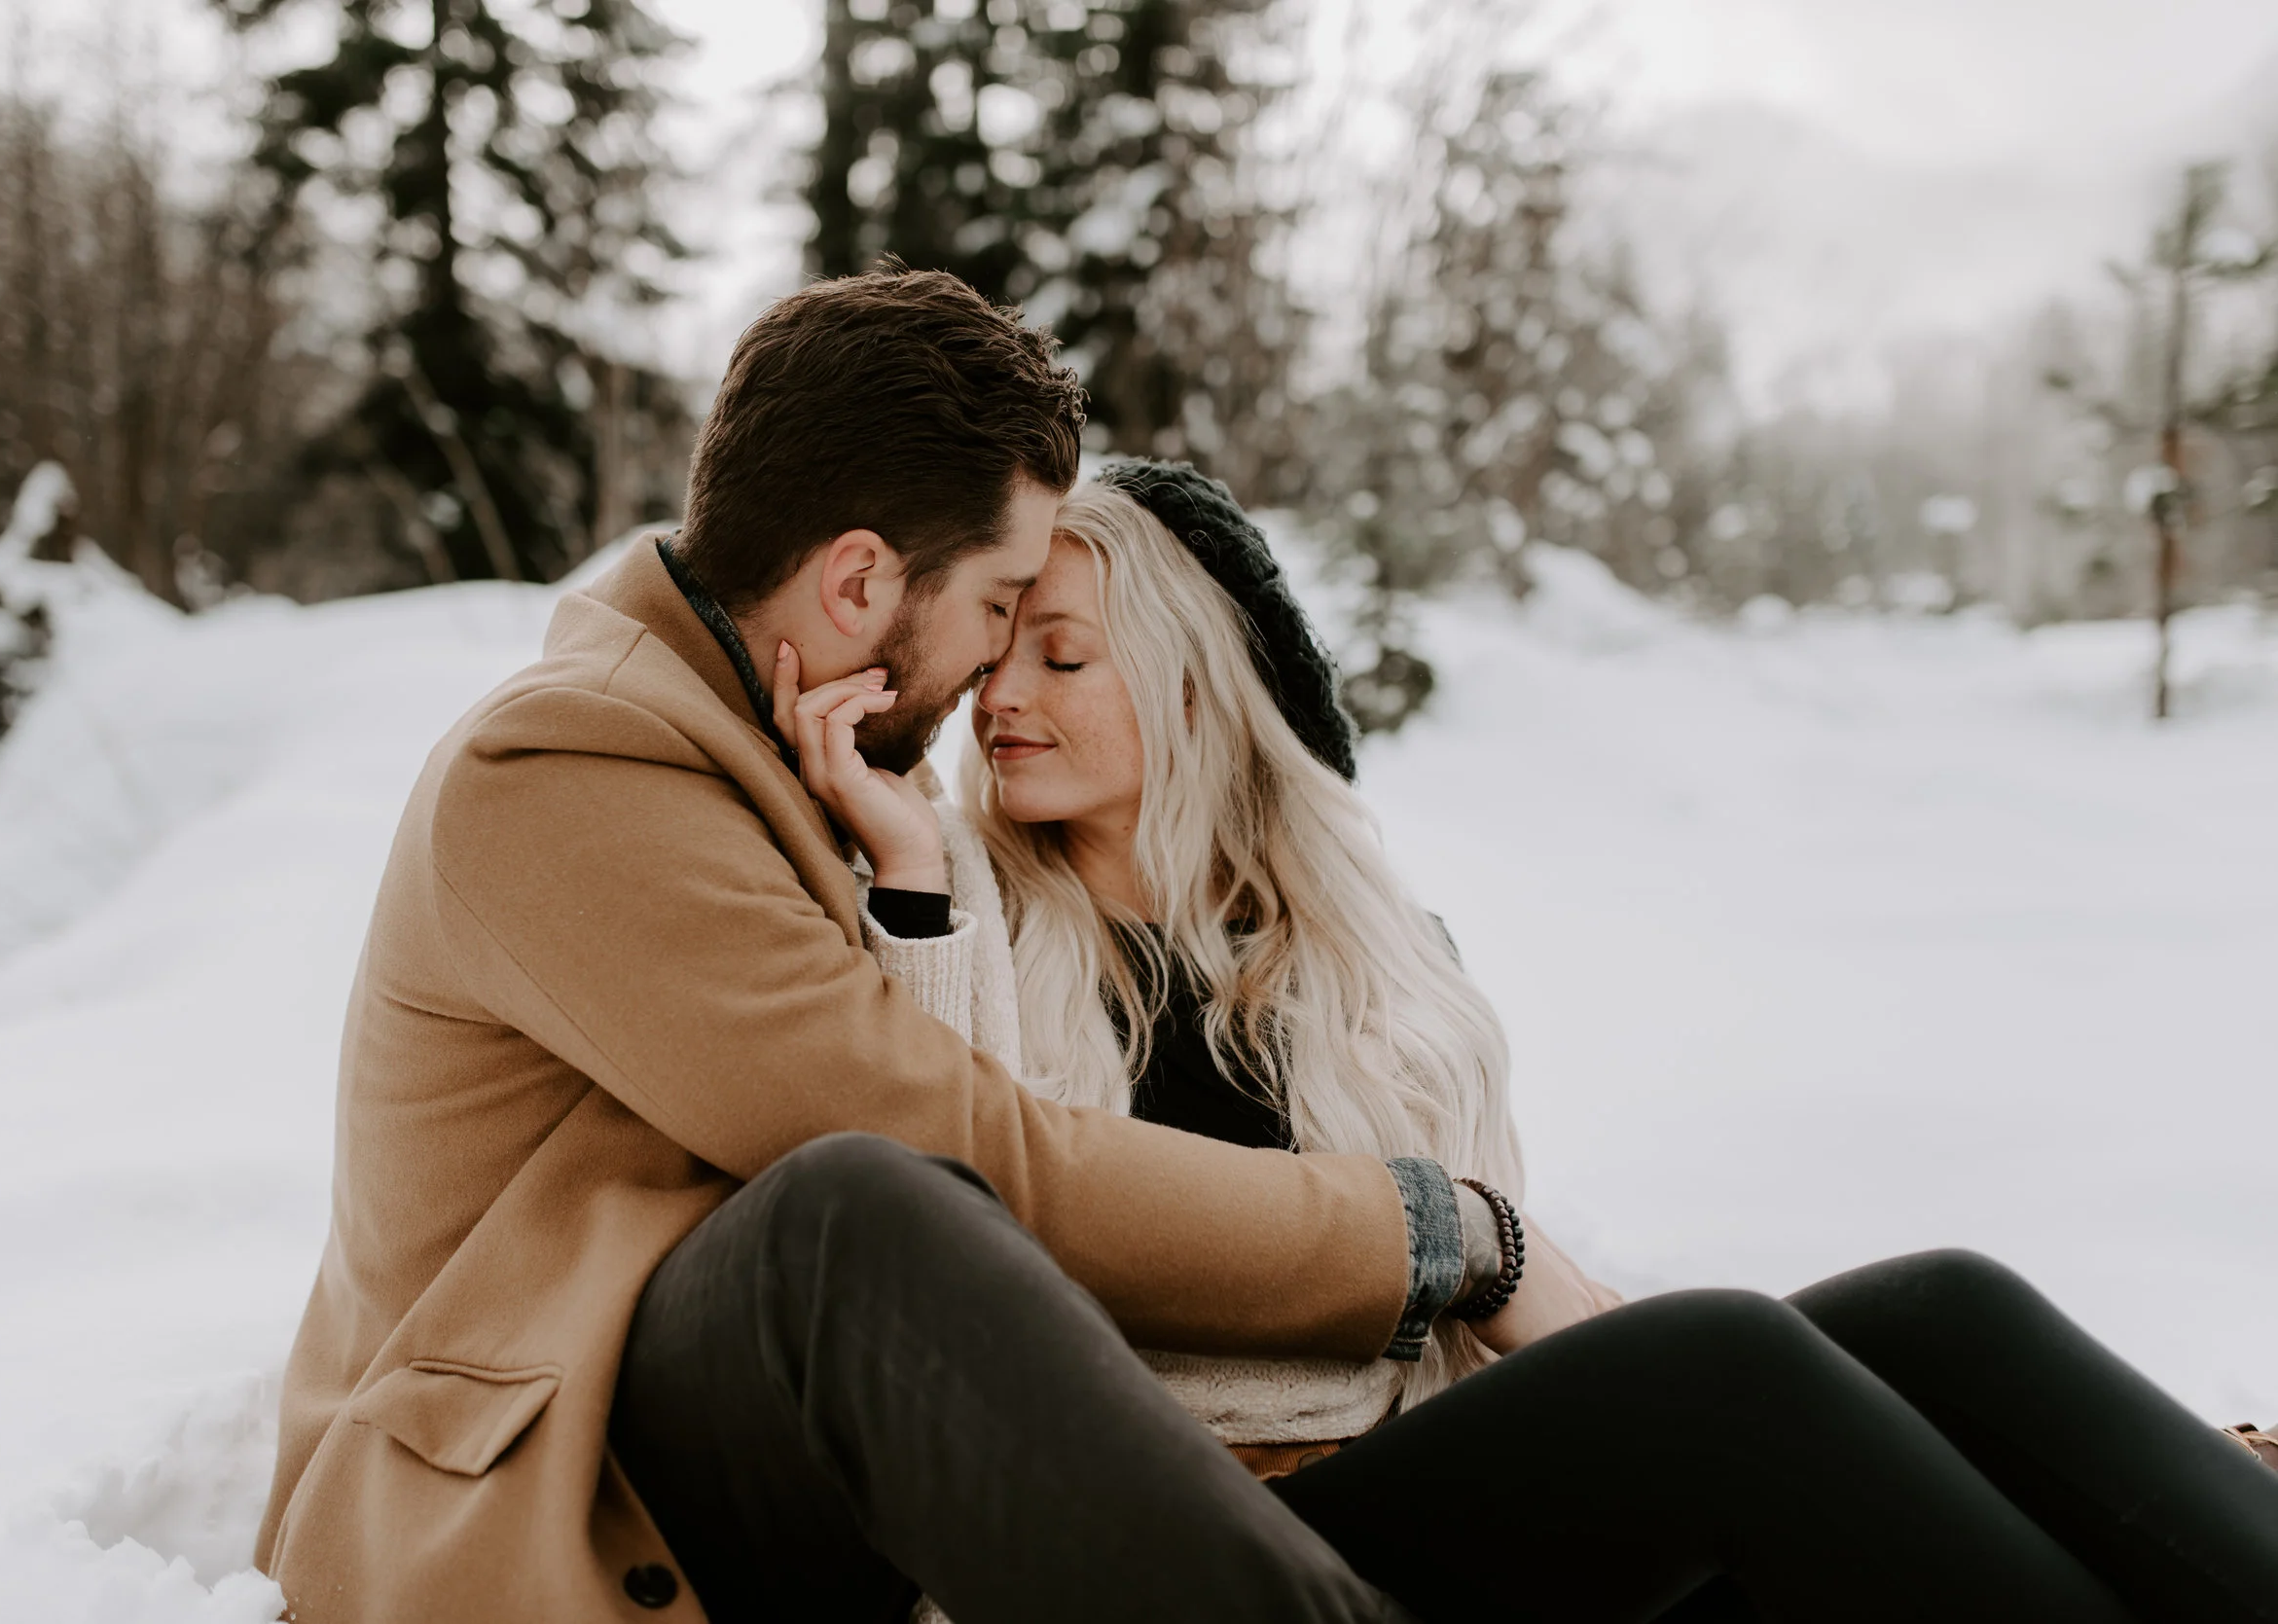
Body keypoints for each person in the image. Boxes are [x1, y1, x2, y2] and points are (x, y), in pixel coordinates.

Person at [779, 459, 2278, 1624]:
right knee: (1724, 1364)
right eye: (1000, 661)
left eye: (1062, 658)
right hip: (1200, 1536)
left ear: (1197, 686)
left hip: (1417, 1487)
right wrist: (911, 885)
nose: (1001, 702)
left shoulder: (1358, 967)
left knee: (1945, 1306)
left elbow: (1489, 1329)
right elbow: (952, 1228)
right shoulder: (959, 918)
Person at [257, 270, 1509, 1624]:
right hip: (518, 1480)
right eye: (995, 602)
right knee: (861, 1210)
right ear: (859, 579)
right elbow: (984, 1152)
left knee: (1731, 1364)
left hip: (736, 1426)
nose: (993, 671)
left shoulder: (787, 751)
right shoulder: (569, 770)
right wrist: (1427, 1235)